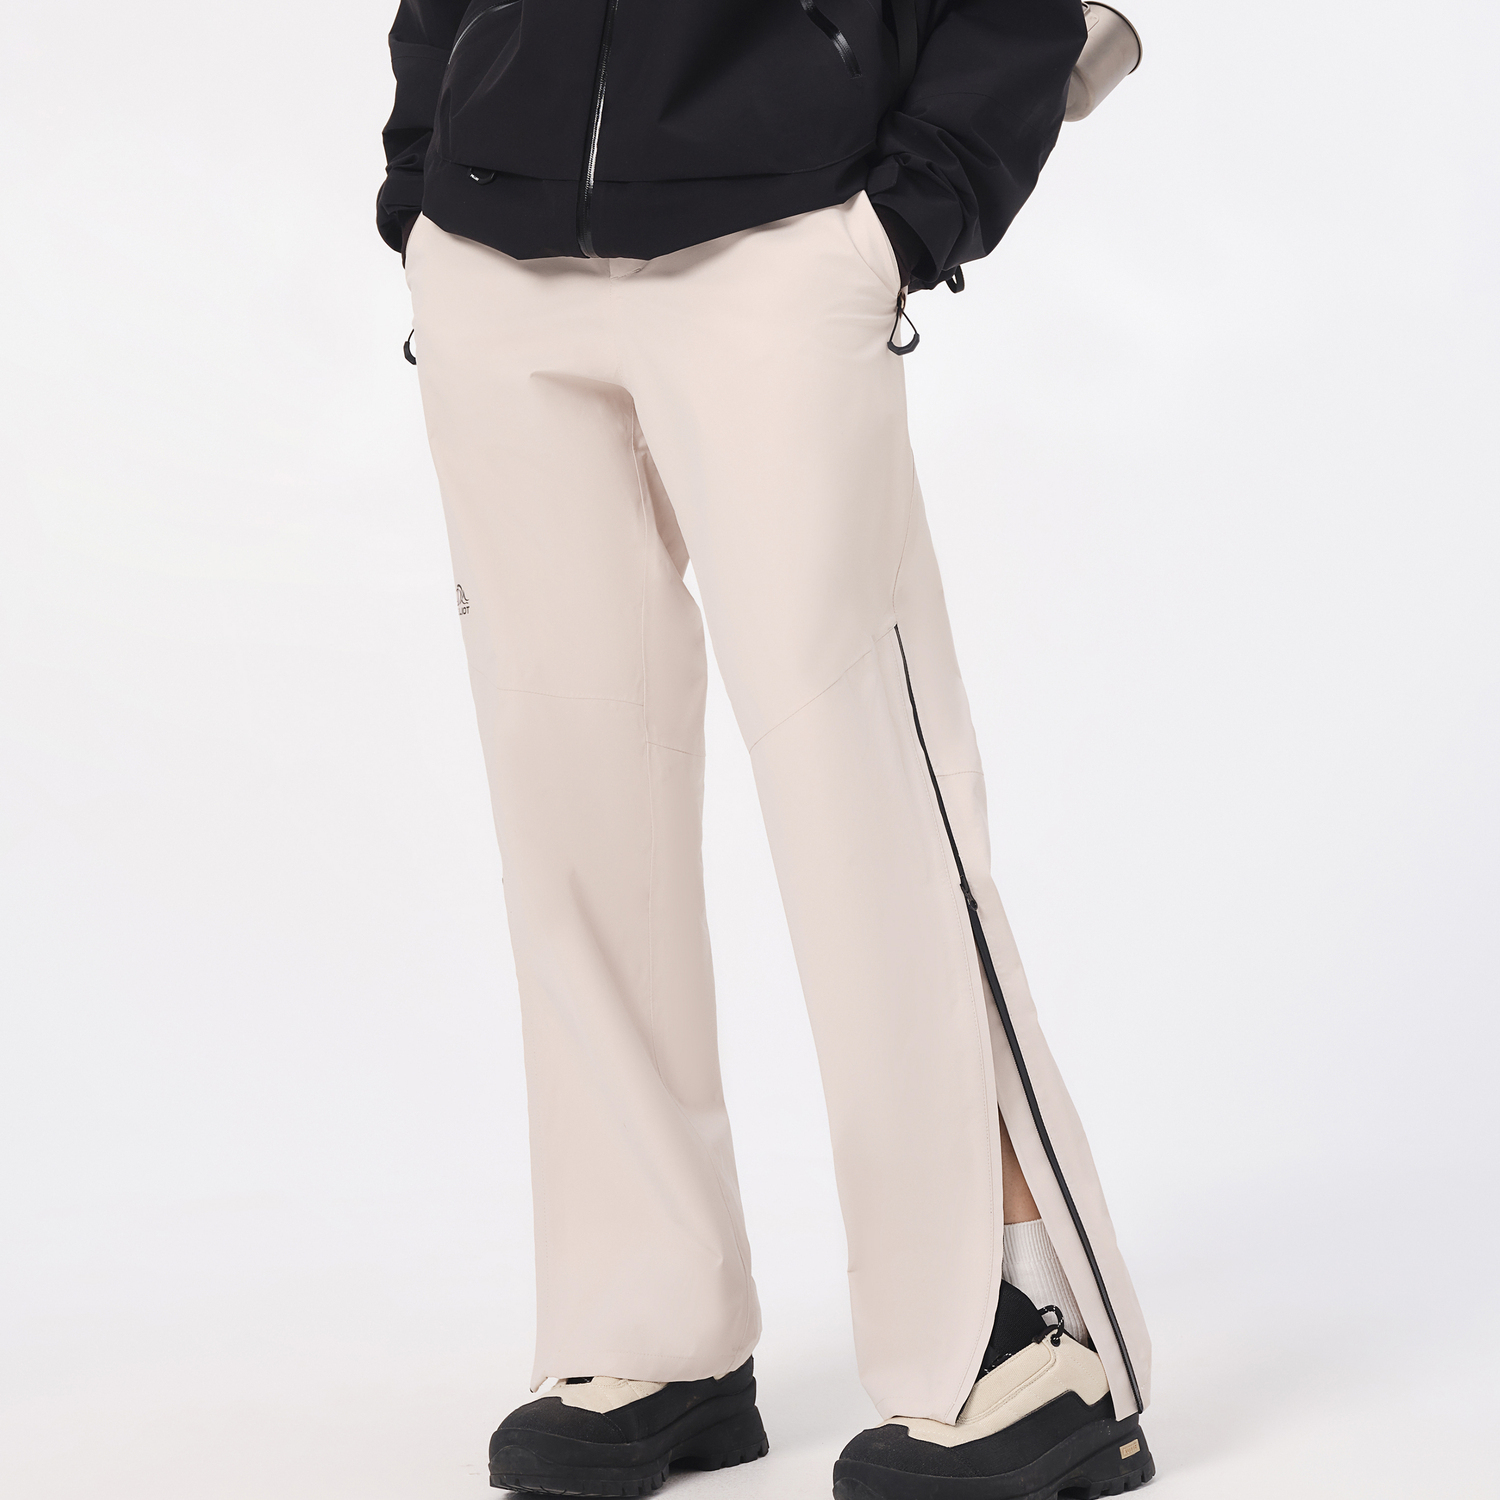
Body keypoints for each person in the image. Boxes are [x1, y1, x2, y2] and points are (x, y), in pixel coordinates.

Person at [376, 2, 1153, 1496]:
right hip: (494, 246)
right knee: (572, 809)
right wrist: (429, 170)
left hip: (782, 235)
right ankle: (646, 1324)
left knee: (864, 796)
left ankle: (1013, 1324)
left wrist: (913, 208)